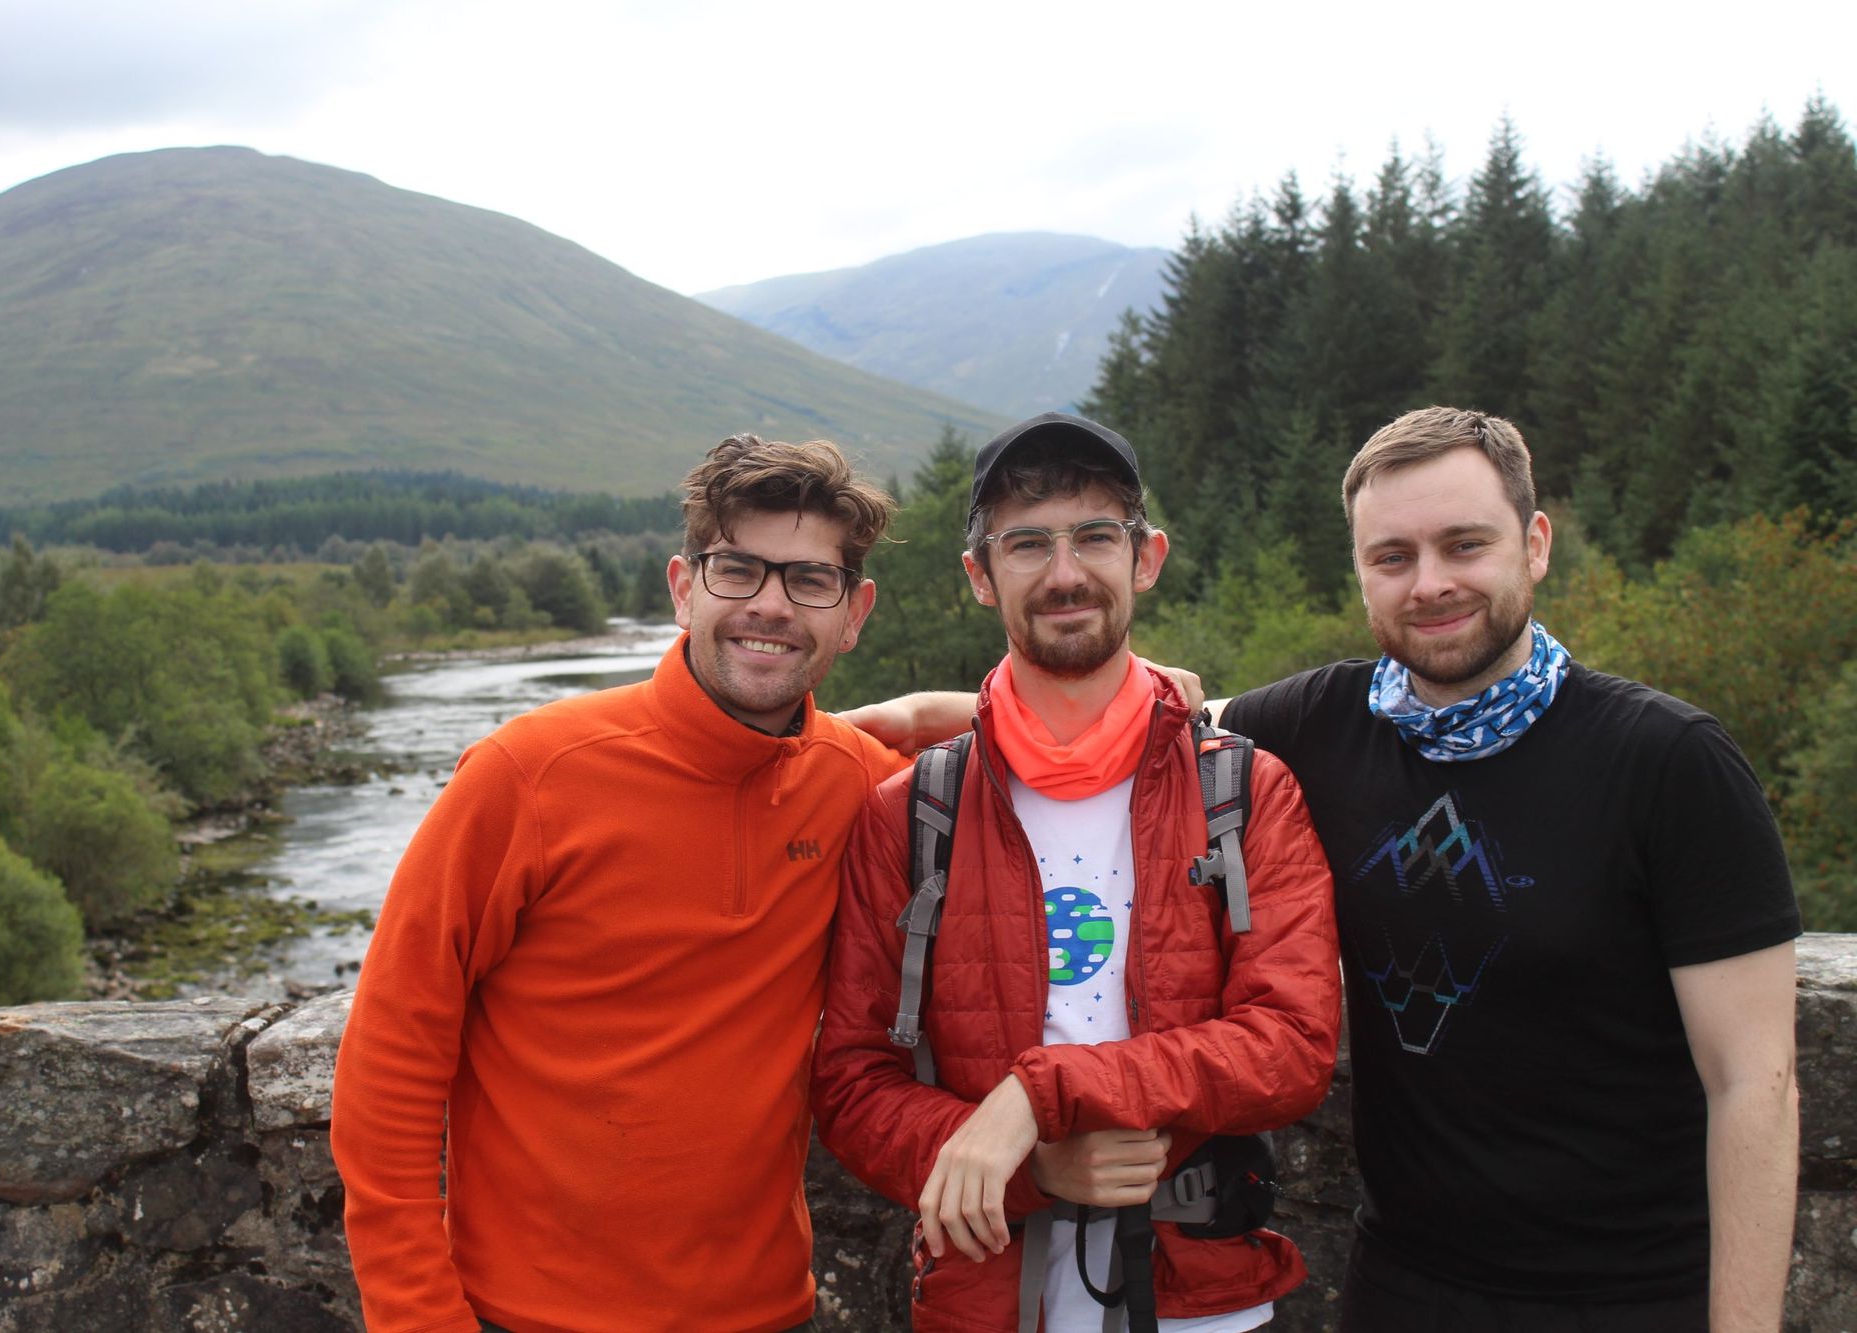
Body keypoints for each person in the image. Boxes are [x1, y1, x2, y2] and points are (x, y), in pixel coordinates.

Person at [1211, 407, 1802, 1331]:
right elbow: (1126, 726)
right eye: (1393, 556)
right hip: (1401, 1283)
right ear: (1362, 573)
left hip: (1633, 1297)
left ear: (1534, 544)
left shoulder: (1669, 762)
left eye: (1464, 544)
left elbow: (1755, 1081)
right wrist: (912, 734)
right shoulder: (1318, 727)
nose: (1432, 583)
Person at [330, 434, 913, 1333]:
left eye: (808, 579)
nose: (770, 604)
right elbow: (389, 1060)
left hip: (767, 1312)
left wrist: (1138, 698)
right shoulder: (527, 775)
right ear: (683, 587)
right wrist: (417, 1317)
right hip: (525, 1316)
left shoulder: (859, 783)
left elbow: (1029, 769)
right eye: (738, 570)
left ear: (854, 611)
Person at [811, 413, 1342, 1333]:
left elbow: (1294, 1047)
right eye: (1027, 544)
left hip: (1201, 1301)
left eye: (1095, 536)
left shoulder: (1245, 789)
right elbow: (852, 1084)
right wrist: (1033, 1166)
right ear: (980, 575)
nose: (1065, 573)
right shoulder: (912, 811)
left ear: (1147, 557)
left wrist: (1040, 1093)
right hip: (982, 1300)